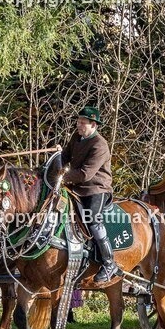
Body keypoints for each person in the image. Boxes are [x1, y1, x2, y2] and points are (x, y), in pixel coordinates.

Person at [61, 106, 118, 283]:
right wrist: (54, 165)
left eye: (82, 123)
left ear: (93, 124)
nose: (78, 125)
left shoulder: (100, 145)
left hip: (96, 189)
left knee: (92, 219)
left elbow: (85, 174)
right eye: (78, 122)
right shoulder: (76, 137)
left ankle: (109, 264)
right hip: (76, 187)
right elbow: (65, 156)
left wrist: (61, 176)